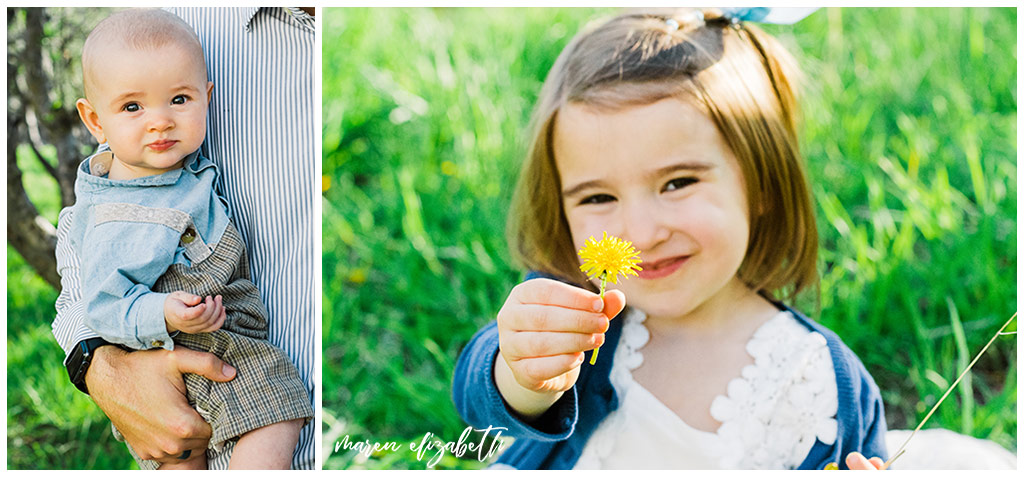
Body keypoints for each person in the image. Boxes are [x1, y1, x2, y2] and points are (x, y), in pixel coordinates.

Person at [452, 8, 889, 470]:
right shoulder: (581, 310)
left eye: (677, 183)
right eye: (598, 197)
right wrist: (524, 374)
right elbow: (481, 409)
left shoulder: (818, 382)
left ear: (761, 182)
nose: (641, 234)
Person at [52, 7, 316, 470]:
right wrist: (152, 322)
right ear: (96, 123)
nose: (160, 122)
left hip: (211, 337)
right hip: (196, 343)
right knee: (278, 410)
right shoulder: (122, 204)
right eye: (133, 107)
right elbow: (97, 293)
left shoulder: (167, 167)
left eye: (179, 100)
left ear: (207, 98)